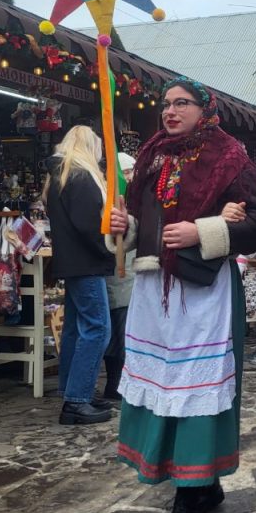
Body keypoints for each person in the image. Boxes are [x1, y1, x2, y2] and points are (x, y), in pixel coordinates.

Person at [108, 76, 256, 513]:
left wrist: (204, 231)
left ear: (206, 109)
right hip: (153, 294)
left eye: (182, 103)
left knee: (194, 393)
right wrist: (126, 228)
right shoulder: (151, 157)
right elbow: (147, 223)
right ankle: (198, 485)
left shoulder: (230, 156)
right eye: (166, 104)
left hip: (203, 296)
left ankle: (188, 501)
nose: (170, 111)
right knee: (161, 388)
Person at [43, 126, 114, 426]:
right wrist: (108, 250)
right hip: (86, 262)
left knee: (75, 328)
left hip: (71, 262)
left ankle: (73, 389)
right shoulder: (81, 176)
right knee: (98, 329)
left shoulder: (59, 176)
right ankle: (77, 398)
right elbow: (89, 226)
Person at [100, 152, 136, 402]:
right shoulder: (110, 202)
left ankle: (120, 383)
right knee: (118, 333)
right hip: (119, 277)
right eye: (128, 172)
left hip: (130, 277)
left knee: (124, 332)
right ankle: (115, 383)